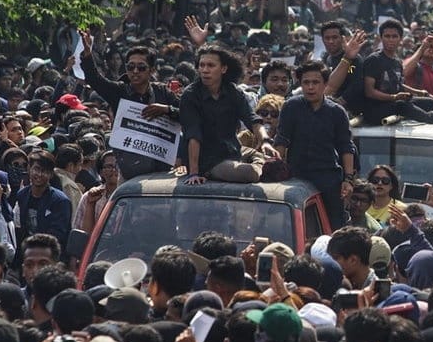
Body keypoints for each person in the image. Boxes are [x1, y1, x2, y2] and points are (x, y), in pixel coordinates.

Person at [79, 31, 180, 179]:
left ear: (151, 70)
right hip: (129, 171)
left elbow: (186, 113)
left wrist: (166, 109)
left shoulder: (163, 92)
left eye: (141, 68)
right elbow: (95, 80)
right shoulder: (119, 91)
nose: (135, 72)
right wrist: (88, 55)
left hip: (161, 169)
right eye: (130, 67)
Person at [275, 60, 356, 230]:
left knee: (334, 228)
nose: (311, 87)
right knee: (290, 225)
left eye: (315, 82)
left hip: (328, 178)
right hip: (296, 175)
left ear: (325, 84)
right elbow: (281, 141)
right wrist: (275, 170)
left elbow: (346, 147)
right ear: (300, 84)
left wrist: (348, 180)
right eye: (306, 82)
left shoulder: (336, 112)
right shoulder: (291, 107)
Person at [179, 45, 275, 185]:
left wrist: (265, 141)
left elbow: (252, 119)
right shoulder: (190, 95)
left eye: (211, 65)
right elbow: (193, 134)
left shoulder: (233, 91)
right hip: (207, 161)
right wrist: (194, 172)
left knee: (267, 158)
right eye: (202, 65)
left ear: (223, 69)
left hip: (232, 151)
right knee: (250, 173)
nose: (205, 70)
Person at [361, 19, 433, 126]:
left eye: (394, 36)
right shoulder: (374, 60)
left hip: (393, 103)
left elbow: (398, 84)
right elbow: (369, 92)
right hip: (375, 108)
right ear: (381, 38)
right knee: (402, 104)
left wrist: (419, 92)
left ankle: (427, 114)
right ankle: (431, 119)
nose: (391, 40)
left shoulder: (396, 62)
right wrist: (394, 97)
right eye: (387, 36)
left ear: (400, 39)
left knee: (430, 102)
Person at [16, 151, 71, 254]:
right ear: (29, 169)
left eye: (45, 171)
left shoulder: (60, 201)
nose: (40, 175)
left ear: (51, 174)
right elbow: (21, 229)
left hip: (50, 254)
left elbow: (58, 235)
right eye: (36, 169)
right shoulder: (22, 195)